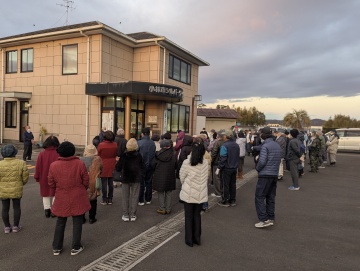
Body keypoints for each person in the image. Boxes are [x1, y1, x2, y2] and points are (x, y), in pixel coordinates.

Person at [48, 142, 91, 256]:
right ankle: (76, 246)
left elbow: (51, 183)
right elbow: (86, 180)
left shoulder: (54, 165)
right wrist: (82, 188)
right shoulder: (79, 163)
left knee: (60, 221)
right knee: (77, 221)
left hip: (62, 195)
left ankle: (57, 247)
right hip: (77, 195)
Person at [179, 137, 208, 247]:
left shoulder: (187, 162)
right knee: (197, 216)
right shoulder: (204, 163)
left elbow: (182, 176)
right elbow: (206, 176)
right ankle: (197, 238)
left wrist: (185, 184)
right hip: (200, 192)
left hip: (188, 192)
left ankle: (189, 240)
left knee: (188, 216)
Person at [254, 127, 281, 228]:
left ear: (263, 135)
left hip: (265, 174)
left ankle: (263, 219)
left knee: (259, 196)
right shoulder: (276, 145)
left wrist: (257, 168)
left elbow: (262, 161)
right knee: (270, 197)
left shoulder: (265, 146)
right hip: (274, 174)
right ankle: (270, 217)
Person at [0, 145, 29, 233]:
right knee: (16, 207)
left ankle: (7, 227)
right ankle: (16, 226)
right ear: (14, 153)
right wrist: (21, 183)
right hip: (17, 188)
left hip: (3, 190)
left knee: (5, 208)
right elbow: (25, 177)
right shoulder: (21, 163)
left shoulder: (0, 164)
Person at [115, 138, 143, 222]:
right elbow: (142, 167)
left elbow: (118, 168)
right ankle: (133, 214)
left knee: (125, 197)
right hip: (136, 178)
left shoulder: (124, 156)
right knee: (135, 196)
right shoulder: (139, 156)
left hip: (125, 178)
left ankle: (125, 214)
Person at [34, 136, 60, 218]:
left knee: (45, 193)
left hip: (44, 176)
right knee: (56, 193)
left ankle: (47, 210)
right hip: (56, 177)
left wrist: (37, 177)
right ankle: (54, 210)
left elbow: (38, 167)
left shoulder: (42, 154)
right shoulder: (59, 153)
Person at [152, 139, 177, 215]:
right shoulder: (173, 154)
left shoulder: (158, 154)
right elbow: (176, 165)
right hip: (170, 175)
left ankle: (162, 208)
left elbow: (153, 165)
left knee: (161, 192)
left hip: (160, 175)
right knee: (168, 192)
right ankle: (168, 208)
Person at [80, 144, 103, 224]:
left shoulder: (81, 159)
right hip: (94, 182)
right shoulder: (98, 159)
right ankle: (91, 218)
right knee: (93, 201)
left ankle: (82, 218)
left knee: (82, 200)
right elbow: (101, 169)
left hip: (83, 182)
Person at [217, 130, 240, 207]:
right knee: (232, 184)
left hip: (226, 168)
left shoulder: (224, 146)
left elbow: (223, 158)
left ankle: (225, 200)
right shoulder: (236, 145)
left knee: (225, 184)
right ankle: (232, 200)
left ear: (225, 136)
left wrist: (219, 167)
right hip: (234, 167)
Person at [97, 131, 118, 205]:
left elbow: (98, 154)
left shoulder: (101, 145)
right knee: (110, 183)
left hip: (103, 164)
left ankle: (104, 199)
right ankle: (110, 199)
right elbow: (116, 154)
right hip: (112, 164)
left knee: (104, 183)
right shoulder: (115, 144)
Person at [138, 127, 156, 205]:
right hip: (151, 164)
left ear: (142, 133)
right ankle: (148, 199)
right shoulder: (152, 143)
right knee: (149, 182)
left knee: (141, 183)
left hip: (141, 165)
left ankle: (141, 200)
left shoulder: (139, 143)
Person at [210, 132, 224, 197]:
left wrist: (211, 160)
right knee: (221, 177)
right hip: (223, 162)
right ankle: (222, 191)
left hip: (216, 162)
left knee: (217, 178)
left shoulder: (217, 143)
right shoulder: (225, 142)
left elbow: (214, 152)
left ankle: (218, 192)